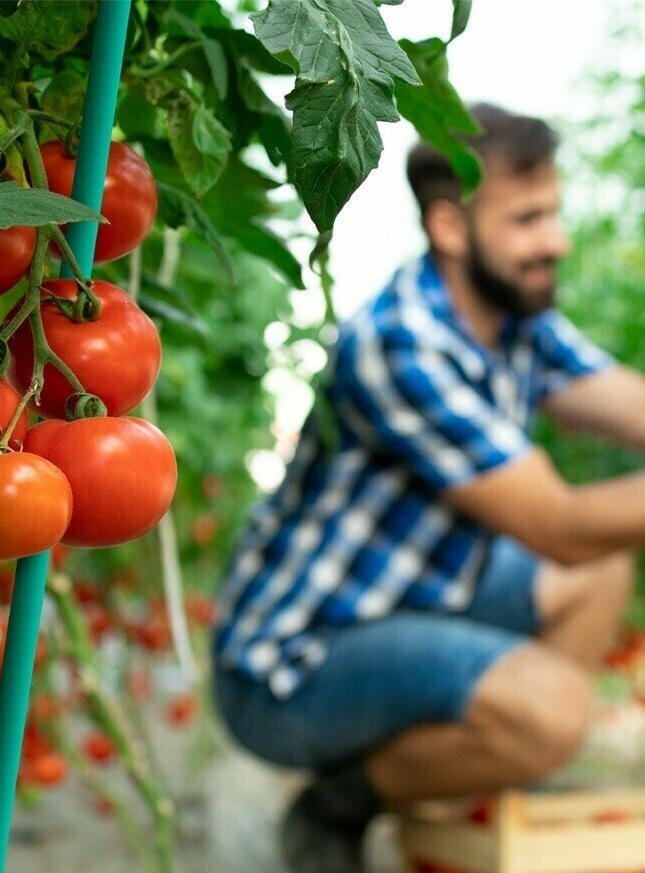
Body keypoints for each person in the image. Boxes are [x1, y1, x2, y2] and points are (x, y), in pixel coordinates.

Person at [209, 103, 645, 873]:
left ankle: (485, 768)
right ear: (450, 228)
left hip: (414, 603)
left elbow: (629, 405)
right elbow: (560, 524)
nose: (558, 241)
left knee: (601, 572)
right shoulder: (400, 341)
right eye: (530, 218)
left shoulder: (515, 321)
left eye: (556, 213)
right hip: (292, 665)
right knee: (558, 705)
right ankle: (338, 802)